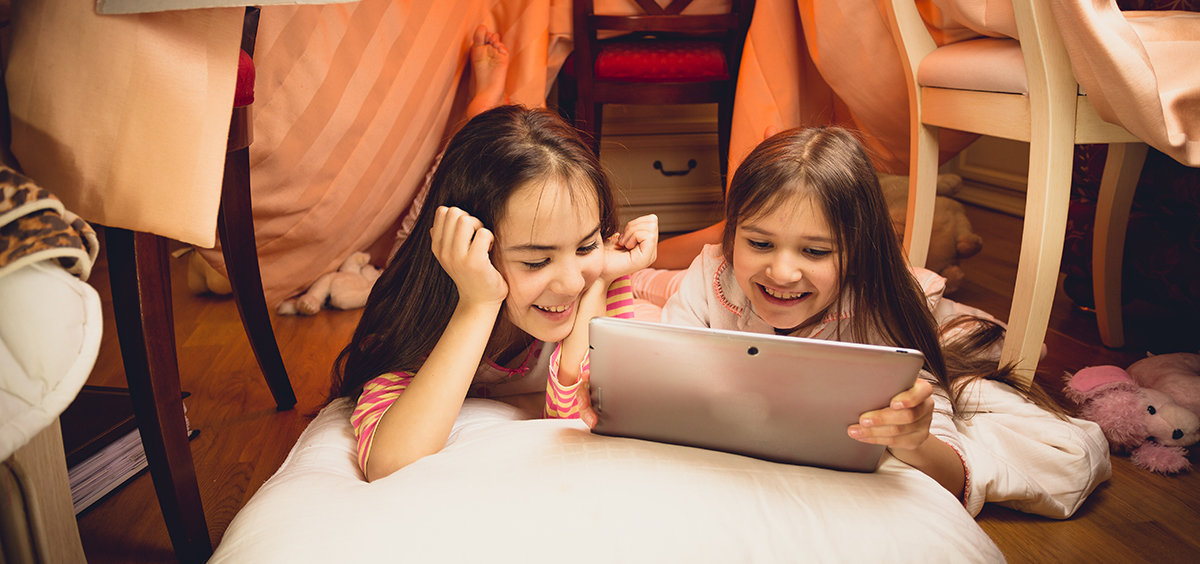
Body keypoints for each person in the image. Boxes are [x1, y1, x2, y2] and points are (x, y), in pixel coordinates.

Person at [646, 126, 1065, 500]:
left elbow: (952, 475)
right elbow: (664, 382)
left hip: (922, 307)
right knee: (653, 284)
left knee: (988, 340)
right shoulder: (711, 276)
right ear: (732, 234)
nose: (783, 272)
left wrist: (915, 441)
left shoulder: (884, 309)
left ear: (858, 252)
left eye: (815, 251)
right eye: (759, 244)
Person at [331, 103, 658, 481]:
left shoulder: (599, 280)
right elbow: (392, 462)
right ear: (472, 248)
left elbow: (577, 418)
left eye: (585, 246)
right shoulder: (415, 319)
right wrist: (478, 303)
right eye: (536, 261)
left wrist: (599, 280)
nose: (571, 283)